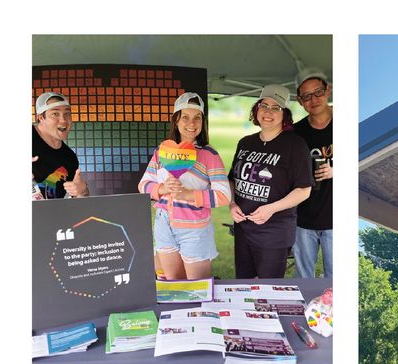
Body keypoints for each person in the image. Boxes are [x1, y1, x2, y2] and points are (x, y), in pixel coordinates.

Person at [139, 92, 231, 280]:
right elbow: (143, 185)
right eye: (186, 117)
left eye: (197, 118)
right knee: (174, 284)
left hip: (195, 227)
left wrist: (188, 194)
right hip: (164, 224)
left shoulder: (209, 155)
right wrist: (162, 188)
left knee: (197, 287)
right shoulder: (162, 151)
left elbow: (223, 195)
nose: (192, 123)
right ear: (176, 120)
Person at [229, 85, 313, 278]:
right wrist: (232, 204)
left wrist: (271, 208)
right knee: (243, 284)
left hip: (274, 231)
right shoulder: (245, 142)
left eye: (275, 107)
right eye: (263, 105)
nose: (268, 111)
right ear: (256, 109)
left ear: (285, 114)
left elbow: (304, 189)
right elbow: (232, 179)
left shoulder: (295, 145)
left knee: (269, 290)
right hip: (243, 229)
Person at [292, 72, 333, 279]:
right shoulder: (295, 133)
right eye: (306, 96)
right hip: (304, 218)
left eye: (318, 93)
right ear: (300, 102)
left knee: (335, 280)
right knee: (302, 278)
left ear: (328, 91)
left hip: (335, 219)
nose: (313, 100)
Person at [32, 92, 89, 199]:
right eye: (55, 114)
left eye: (67, 114)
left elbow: (79, 199)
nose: (63, 120)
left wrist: (82, 191)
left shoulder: (70, 157)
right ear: (41, 117)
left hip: (49, 214)